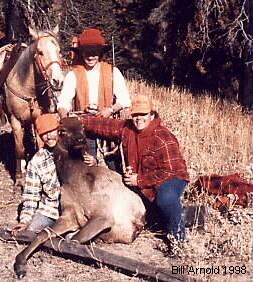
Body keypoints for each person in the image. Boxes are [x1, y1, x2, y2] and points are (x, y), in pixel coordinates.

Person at [81, 95, 189, 247]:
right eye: (135, 114)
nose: (139, 118)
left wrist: (139, 180)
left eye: (143, 114)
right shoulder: (128, 129)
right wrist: (78, 122)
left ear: (152, 115)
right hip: (142, 179)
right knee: (148, 215)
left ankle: (179, 240)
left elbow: (169, 171)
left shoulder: (163, 137)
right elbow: (104, 125)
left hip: (171, 178)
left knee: (165, 199)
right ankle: (186, 215)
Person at [57, 27, 131, 170]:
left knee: (114, 165)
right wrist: (65, 117)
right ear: (81, 53)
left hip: (108, 123)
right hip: (85, 125)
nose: (90, 57)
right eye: (87, 53)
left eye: (94, 53)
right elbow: (64, 101)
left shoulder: (112, 71)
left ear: (100, 53)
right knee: (87, 164)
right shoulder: (73, 75)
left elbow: (125, 99)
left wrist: (110, 109)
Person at [12, 114, 61, 236]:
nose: (49, 137)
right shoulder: (36, 162)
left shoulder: (73, 151)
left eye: (51, 131)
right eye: (44, 133)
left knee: (74, 238)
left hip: (73, 210)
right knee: (30, 232)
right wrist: (25, 221)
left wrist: (93, 162)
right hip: (50, 211)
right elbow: (31, 195)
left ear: (58, 130)